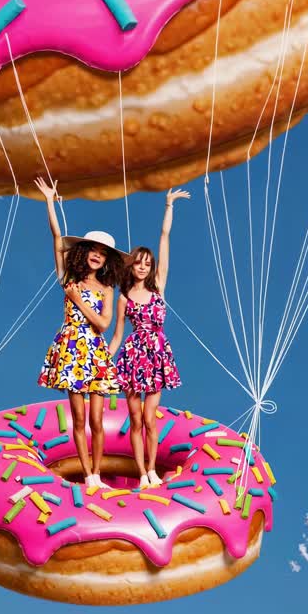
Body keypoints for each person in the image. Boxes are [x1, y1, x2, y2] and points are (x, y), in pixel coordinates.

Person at [35, 178, 126, 490]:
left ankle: (98, 474)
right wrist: (49, 200)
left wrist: (77, 301)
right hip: (72, 349)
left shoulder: (106, 288)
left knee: (97, 421)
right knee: (78, 418)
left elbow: (103, 324)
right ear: (84, 251)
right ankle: (88, 476)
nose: (97, 255)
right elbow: (57, 236)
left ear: (107, 259)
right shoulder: (68, 276)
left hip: (95, 352)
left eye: (103, 253)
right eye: (93, 250)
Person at [108, 188, 188, 488]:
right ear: (132, 265)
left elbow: (164, 240)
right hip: (132, 357)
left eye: (147, 262)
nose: (143, 266)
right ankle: (142, 474)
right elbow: (117, 335)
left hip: (156, 356)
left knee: (151, 419)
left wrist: (169, 205)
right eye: (138, 262)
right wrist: (103, 361)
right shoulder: (124, 297)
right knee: (136, 418)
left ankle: (153, 469)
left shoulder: (158, 289)